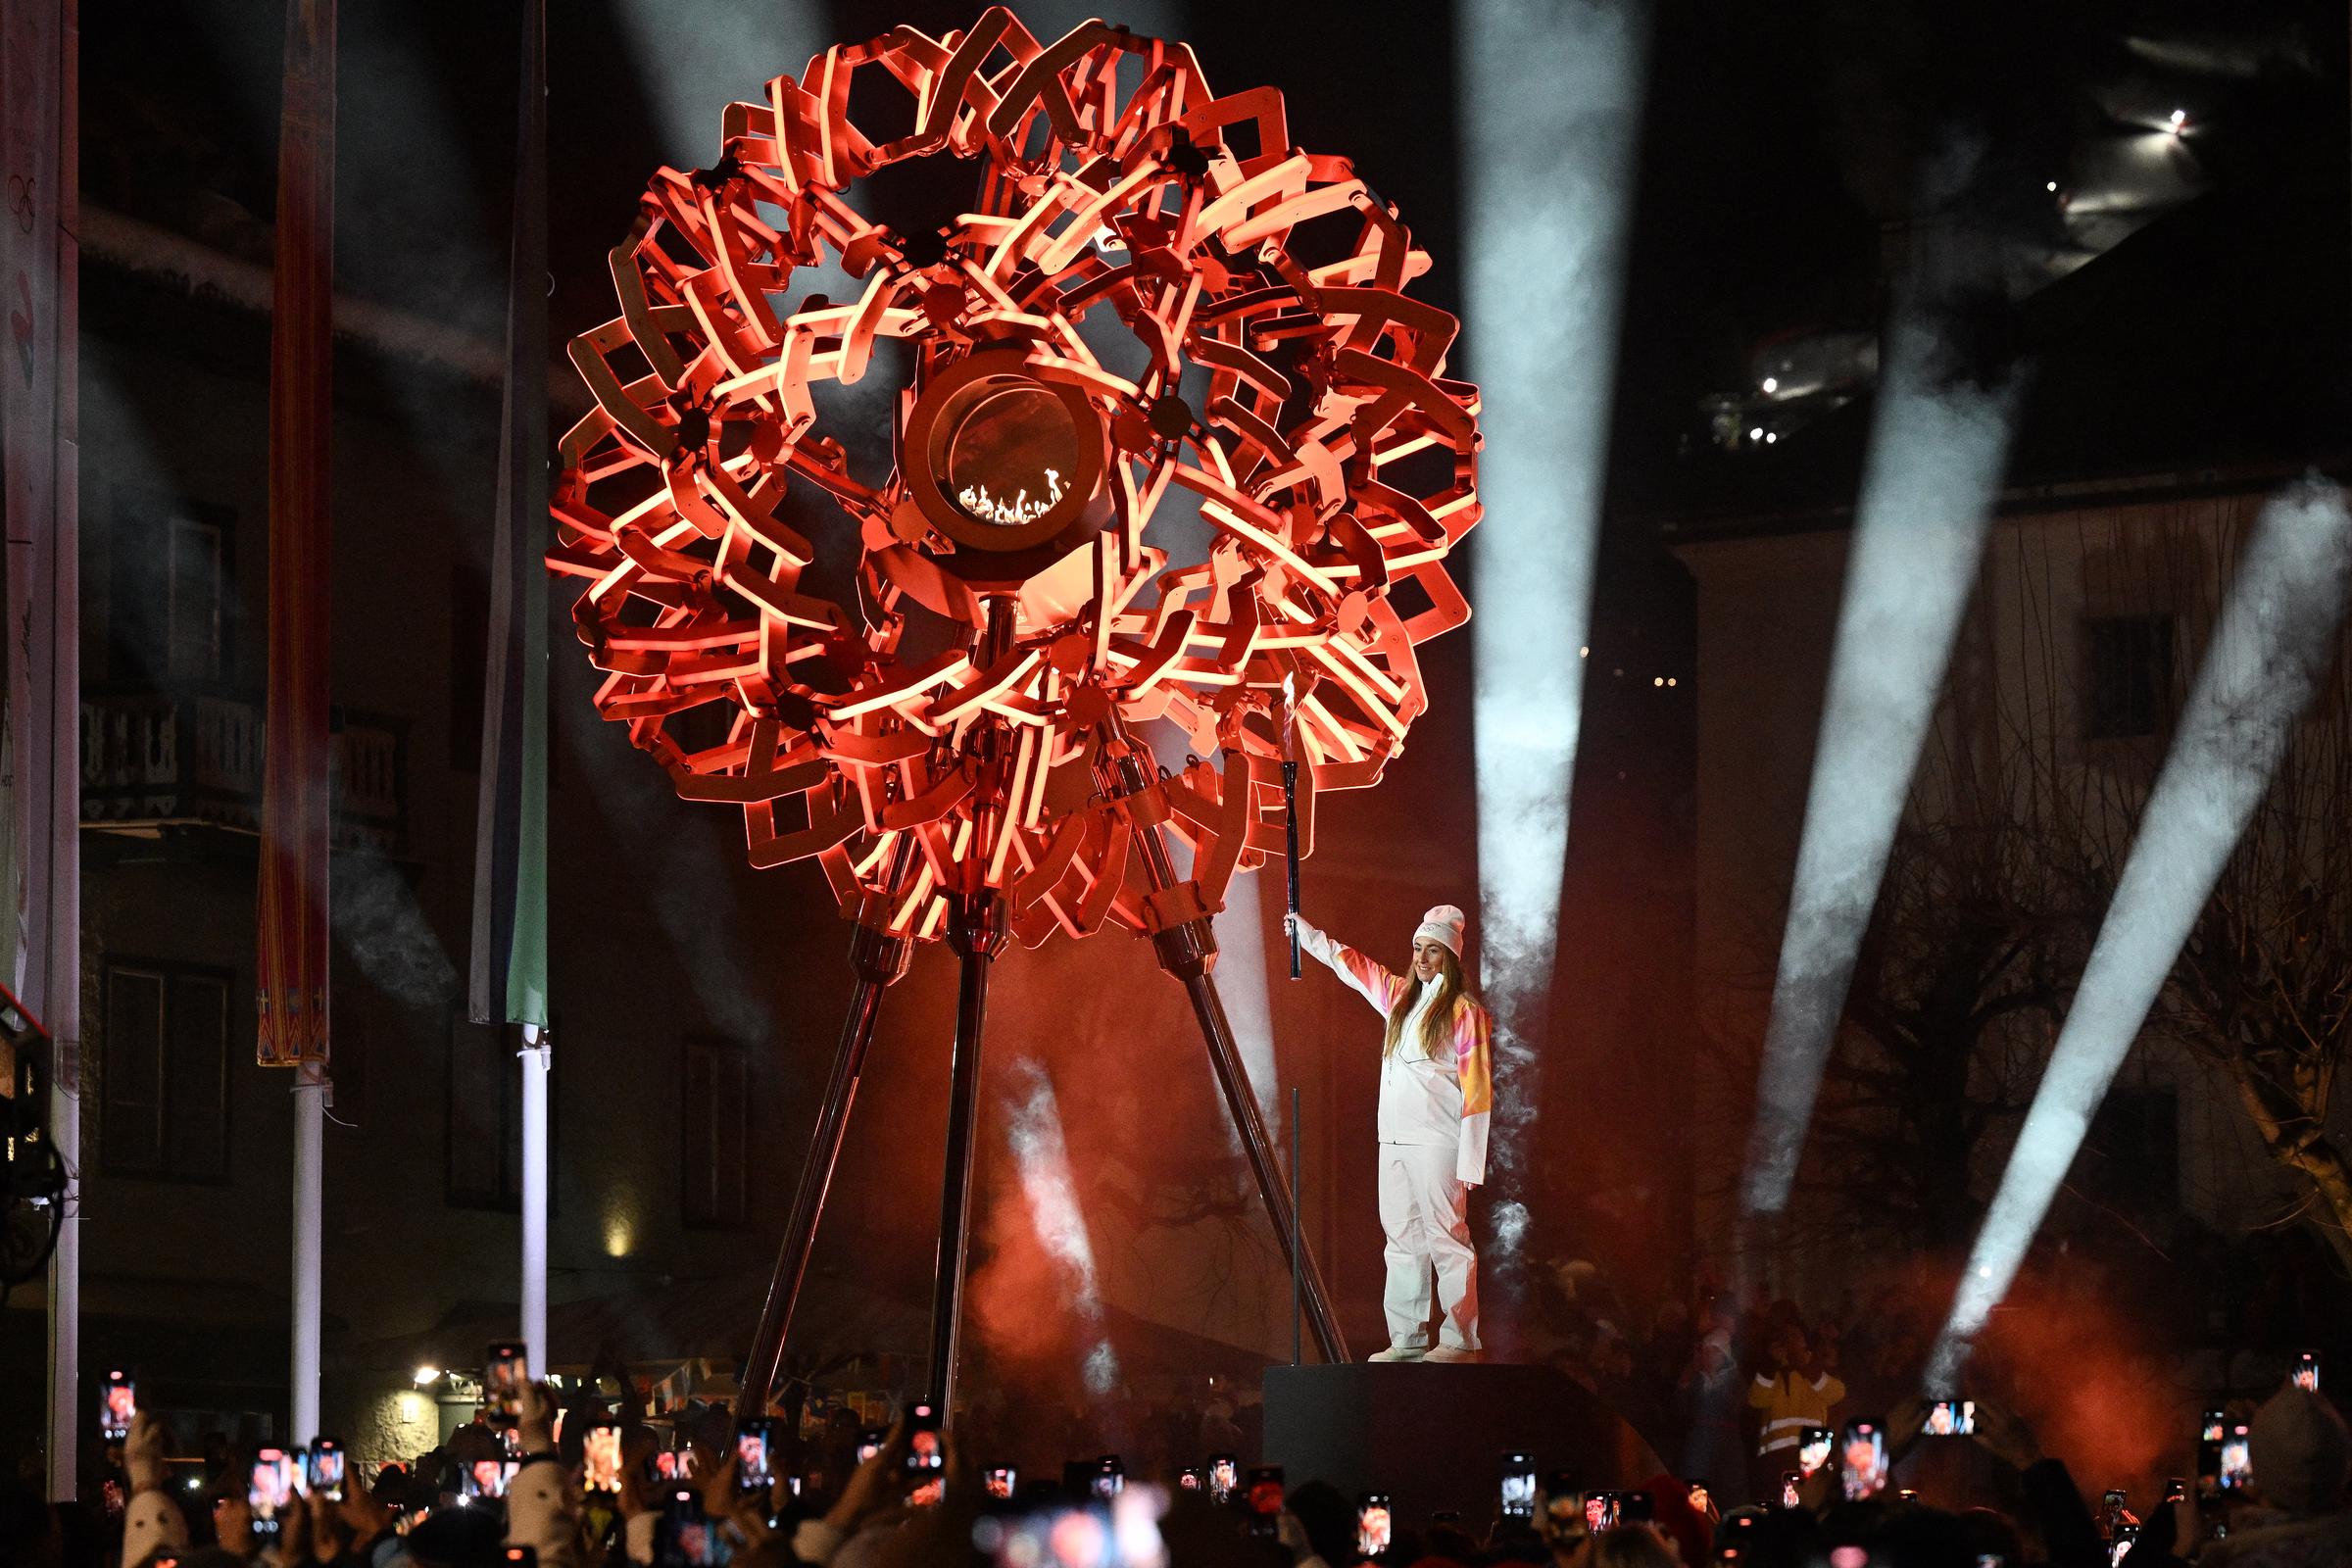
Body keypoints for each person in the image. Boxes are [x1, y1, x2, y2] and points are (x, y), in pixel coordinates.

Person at [1288, 904, 1494, 1364]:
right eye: (1418, 948)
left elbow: (1478, 1089)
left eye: (1433, 951)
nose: (1422, 958)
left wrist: (1471, 1161)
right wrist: (1307, 935)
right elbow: (1354, 967)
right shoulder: (1400, 999)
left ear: (1451, 958)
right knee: (1401, 1240)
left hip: (1439, 1143)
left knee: (1447, 1238)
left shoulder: (1465, 1012)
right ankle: (1408, 1339)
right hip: (1394, 1142)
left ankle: (1462, 1339)